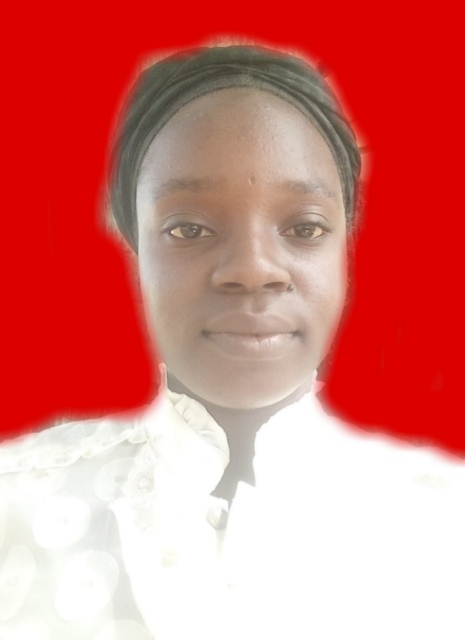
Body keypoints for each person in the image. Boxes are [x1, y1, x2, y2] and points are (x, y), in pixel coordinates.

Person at [0, 44, 464, 640]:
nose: (252, 268)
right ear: (135, 252)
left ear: (345, 251)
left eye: (305, 228)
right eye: (188, 228)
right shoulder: (14, 505)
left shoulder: (447, 525)